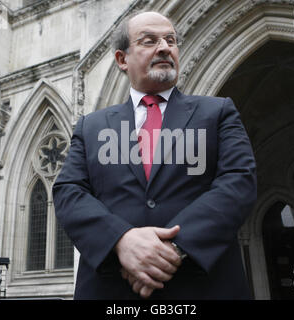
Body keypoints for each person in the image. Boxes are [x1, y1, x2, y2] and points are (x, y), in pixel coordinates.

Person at [53, 11, 257, 300]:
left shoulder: (218, 111)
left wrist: (172, 251)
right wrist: (121, 241)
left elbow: (238, 182)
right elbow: (68, 191)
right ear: (122, 59)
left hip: (204, 287)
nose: (164, 47)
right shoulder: (91, 126)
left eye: (170, 40)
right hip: (113, 290)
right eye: (149, 41)